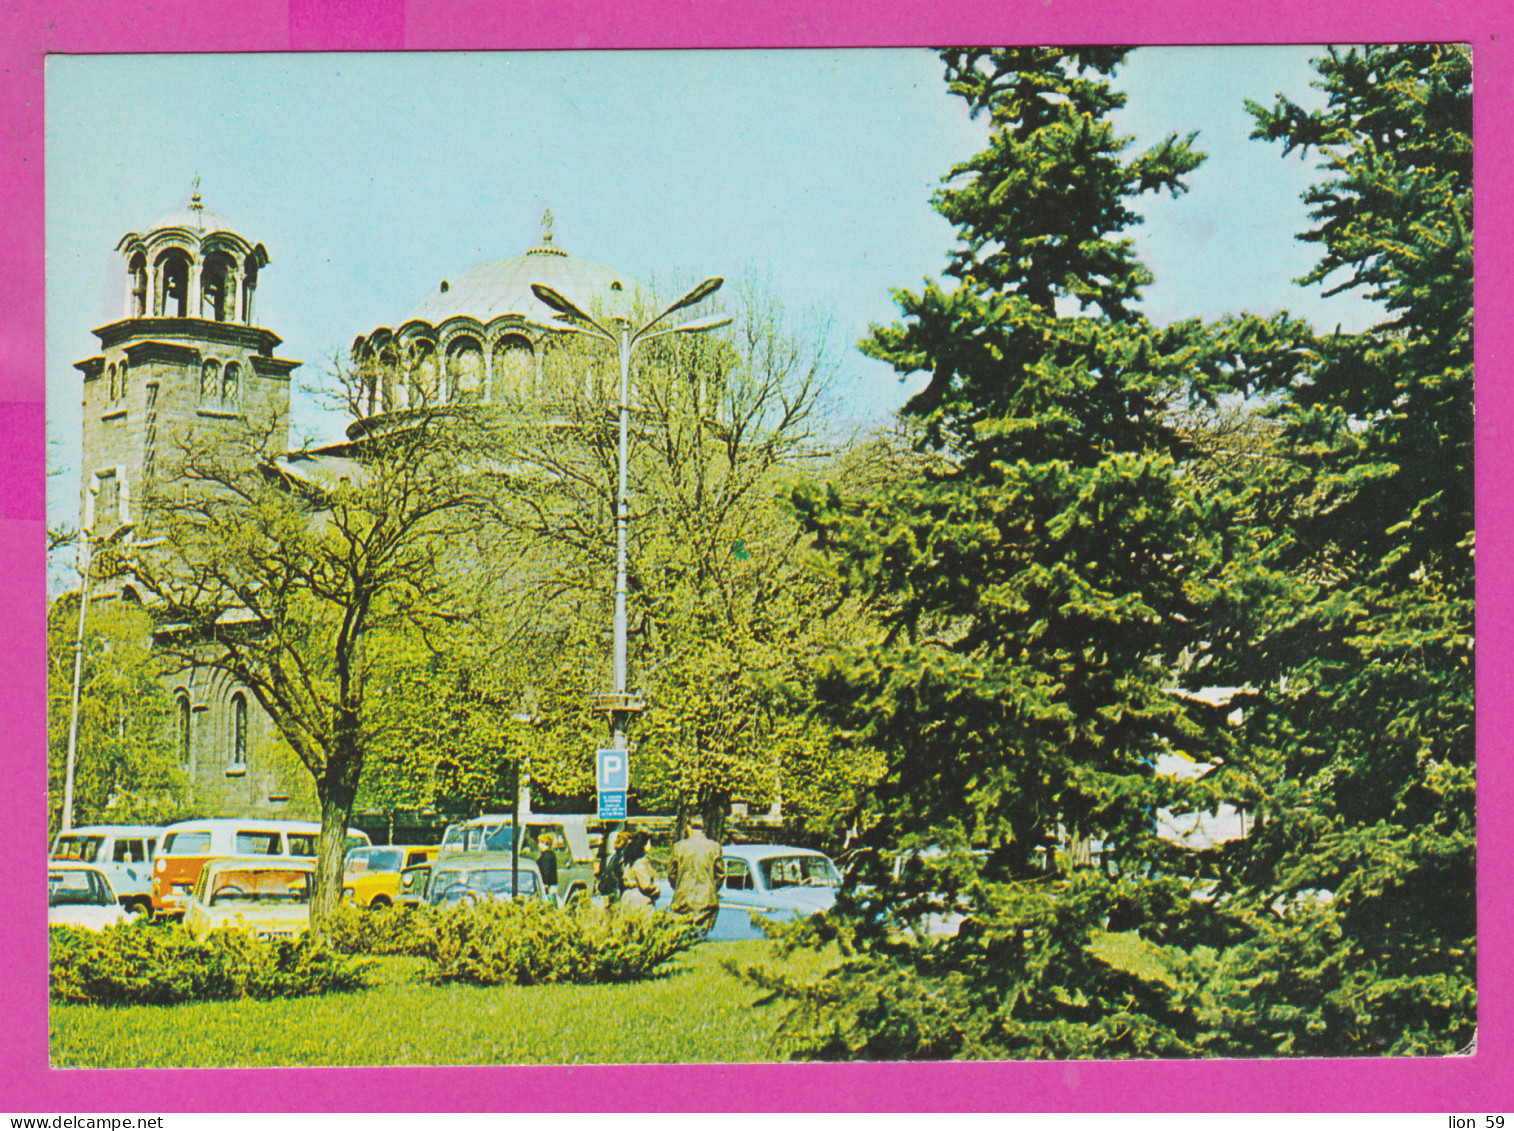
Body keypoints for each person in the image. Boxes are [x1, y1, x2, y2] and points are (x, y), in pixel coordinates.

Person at [668, 815, 725, 937]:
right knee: (702, 939)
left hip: (682, 901)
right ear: (703, 828)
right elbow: (720, 875)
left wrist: (679, 888)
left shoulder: (678, 847)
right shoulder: (714, 847)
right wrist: (710, 888)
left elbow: (672, 875)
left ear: (688, 827)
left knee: (682, 940)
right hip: (706, 902)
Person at [618, 827, 659, 914]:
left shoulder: (629, 859)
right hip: (639, 901)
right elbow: (645, 885)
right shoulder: (640, 862)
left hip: (627, 899)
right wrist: (656, 890)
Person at [536, 833, 559, 904]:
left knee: (549, 903)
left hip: (548, 886)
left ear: (545, 843)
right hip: (551, 885)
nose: (538, 845)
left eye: (540, 842)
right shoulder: (549, 854)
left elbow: (546, 870)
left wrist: (545, 884)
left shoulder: (547, 856)